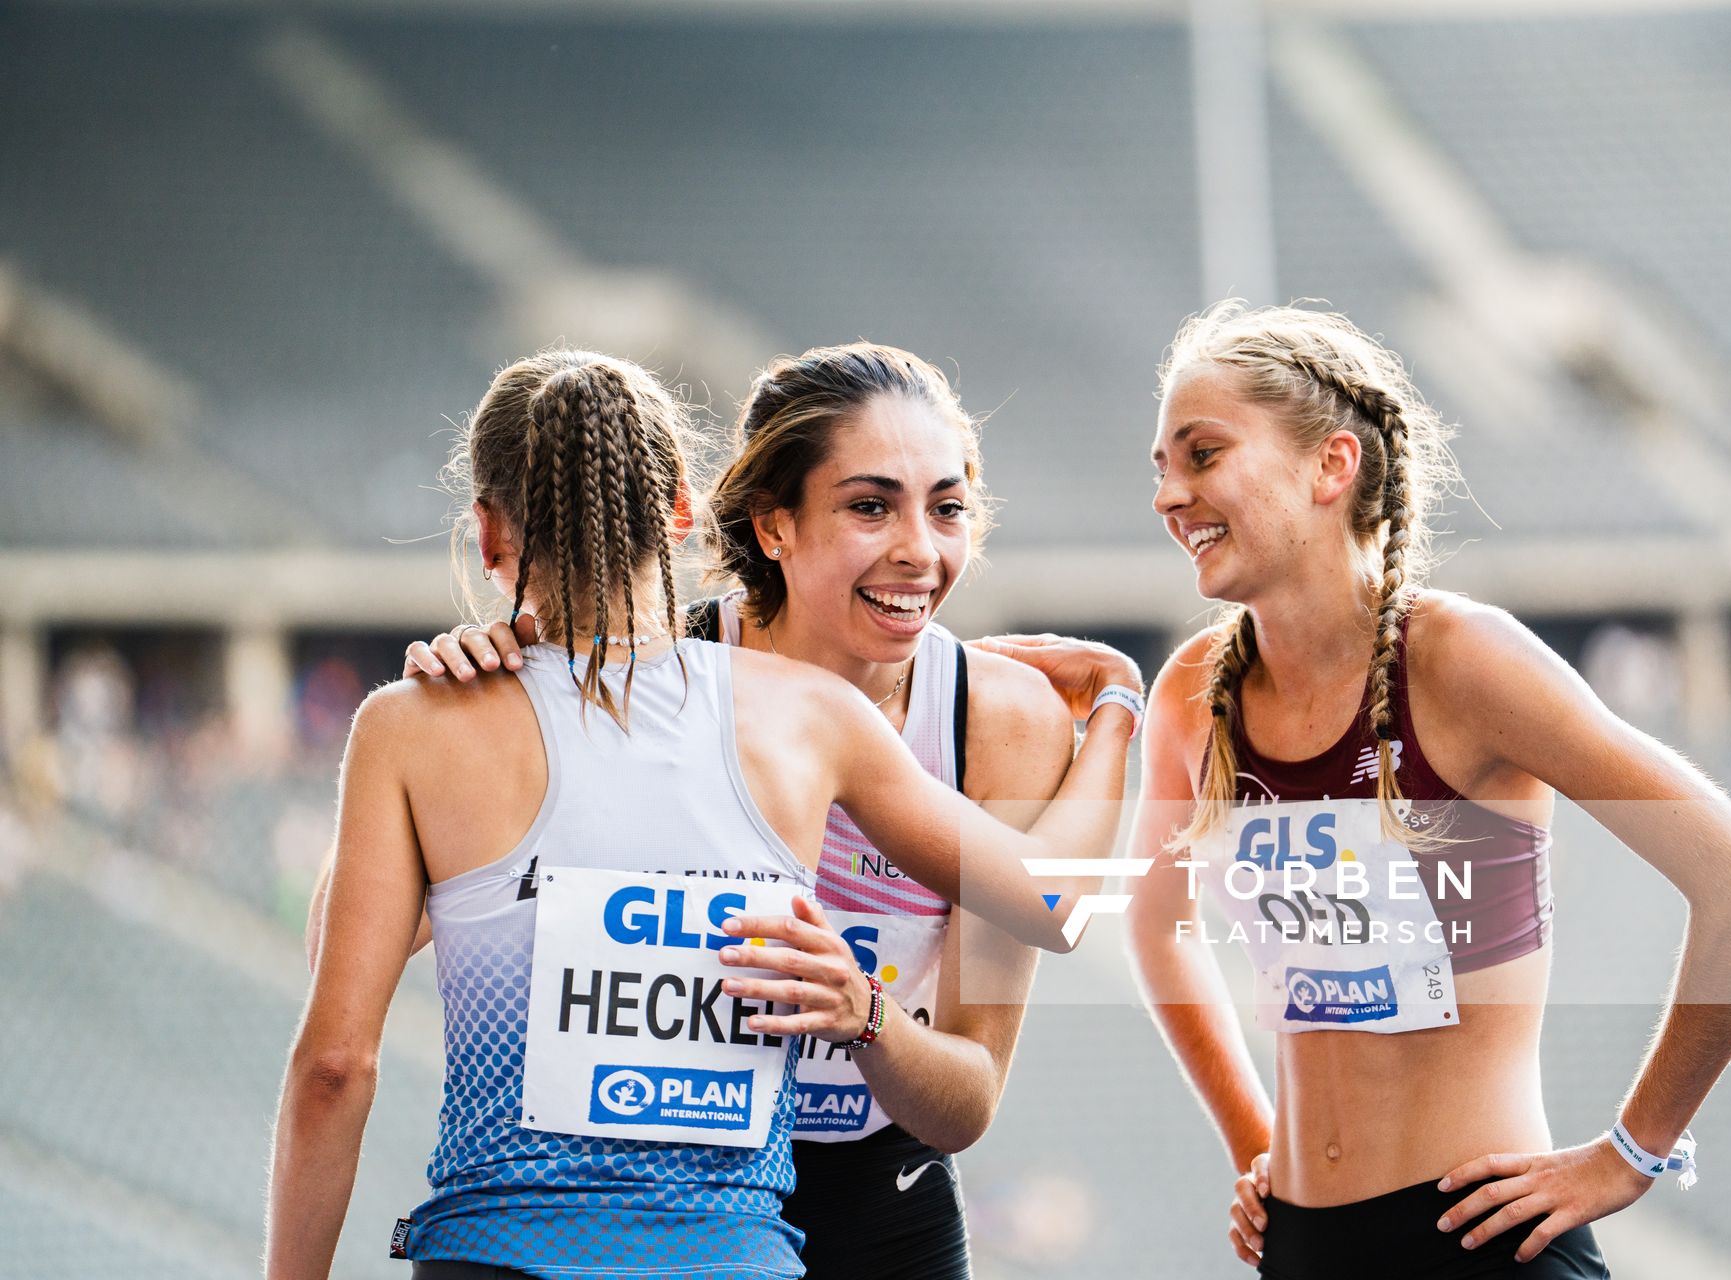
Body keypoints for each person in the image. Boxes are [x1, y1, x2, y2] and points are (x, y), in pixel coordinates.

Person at [268, 349, 1142, 1280]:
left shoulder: (986, 720)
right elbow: (345, 952)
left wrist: (867, 1014)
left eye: (949, 506)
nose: (918, 550)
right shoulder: (755, 701)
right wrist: (507, 675)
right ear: (738, 520)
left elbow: (1034, 949)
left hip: (822, 1206)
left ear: (489, 534)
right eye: (869, 505)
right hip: (725, 1238)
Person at [1124, 304, 1731, 1278]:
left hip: (1484, 1240)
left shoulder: (1460, 661)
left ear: (1332, 466)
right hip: (1304, 1247)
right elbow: (1157, 927)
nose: (1169, 494)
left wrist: (1632, 1152)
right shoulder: (1194, 697)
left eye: (1202, 454)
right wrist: (1252, 1137)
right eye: (1160, 466)